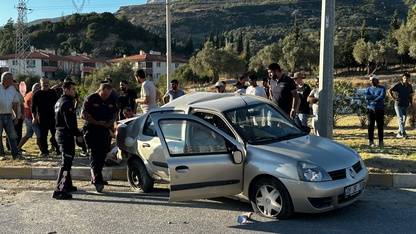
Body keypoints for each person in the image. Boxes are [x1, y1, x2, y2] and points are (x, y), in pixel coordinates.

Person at [82, 83, 118, 192]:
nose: (105, 97)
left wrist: (111, 122)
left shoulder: (111, 99)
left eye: (108, 95)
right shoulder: (91, 98)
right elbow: (83, 115)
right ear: (100, 91)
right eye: (104, 94)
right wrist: (97, 122)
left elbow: (116, 112)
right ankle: (97, 181)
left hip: (104, 130)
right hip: (92, 129)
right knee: (94, 154)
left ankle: (98, 176)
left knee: (102, 155)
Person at [52, 81, 84, 200]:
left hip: (61, 133)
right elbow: (69, 122)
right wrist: (78, 135)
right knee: (66, 163)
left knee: (68, 160)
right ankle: (59, 190)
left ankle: (67, 185)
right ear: (66, 90)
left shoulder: (60, 101)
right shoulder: (66, 103)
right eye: (73, 89)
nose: (75, 91)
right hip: (65, 135)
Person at [31, 77, 60, 157]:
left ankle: (58, 151)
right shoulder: (36, 94)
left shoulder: (53, 93)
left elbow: (58, 105)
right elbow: (33, 108)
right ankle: (45, 152)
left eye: (47, 82)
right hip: (42, 117)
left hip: (53, 117)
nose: (46, 84)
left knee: (56, 134)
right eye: (44, 82)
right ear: (41, 83)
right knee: (43, 135)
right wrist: (34, 118)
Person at [0, 72, 22, 160]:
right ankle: (1, 154)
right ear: (5, 79)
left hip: (9, 115)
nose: (12, 81)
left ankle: (15, 154)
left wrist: (16, 116)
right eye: (11, 79)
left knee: (12, 135)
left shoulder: (12, 89)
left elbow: (15, 103)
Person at [17, 83, 42, 153]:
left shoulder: (29, 94)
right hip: (31, 118)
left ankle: (18, 147)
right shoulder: (33, 96)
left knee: (28, 134)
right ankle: (42, 150)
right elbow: (32, 108)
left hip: (27, 117)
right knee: (39, 134)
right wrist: (35, 118)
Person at [388, 72, 414, 138]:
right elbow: (390, 90)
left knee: (404, 120)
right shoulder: (398, 85)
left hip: (406, 104)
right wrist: (394, 98)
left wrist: (411, 104)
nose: (406, 79)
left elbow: (410, 96)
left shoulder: (409, 86)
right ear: (402, 78)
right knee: (400, 119)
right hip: (398, 105)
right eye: (405, 78)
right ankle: (403, 133)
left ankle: (399, 133)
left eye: (407, 78)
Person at [365, 74, 386, 148]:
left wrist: (372, 99)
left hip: (379, 109)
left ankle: (381, 141)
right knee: (371, 126)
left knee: (380, 126)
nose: (372, 81)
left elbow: (382, 97)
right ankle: (371, 142)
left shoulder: (382, 88)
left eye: (373, 80)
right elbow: (366, 97)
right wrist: (376, 97)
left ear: (377, 80)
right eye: (370, 80)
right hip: (370, 109)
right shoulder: (368, 89)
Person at [6, 80, 25, 151]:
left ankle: (18, 146)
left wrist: (23, 114)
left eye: (15, 84)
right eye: (13, 84)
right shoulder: (7, 94)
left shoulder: (18, 94)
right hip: (10, 117)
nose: (14, 86)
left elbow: (22, 105)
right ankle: (9, 147)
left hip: (19, 116)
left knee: (18, 132)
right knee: (10, 133)